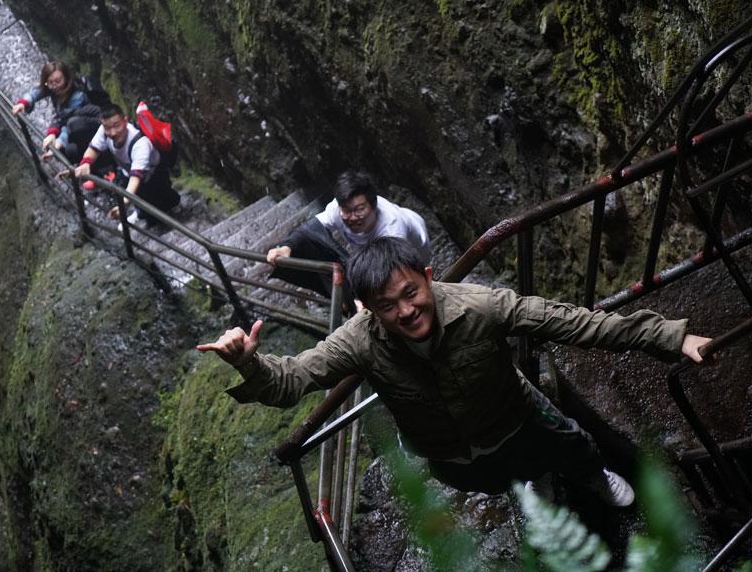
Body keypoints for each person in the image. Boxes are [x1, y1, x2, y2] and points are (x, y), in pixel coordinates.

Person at [199, 237, 710, 504]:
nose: (405, 311)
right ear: (366, 308)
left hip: (514, 412)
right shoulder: (358, 341)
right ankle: (534, 483)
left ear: (427, 277)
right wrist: (250, 363)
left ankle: (591, 478)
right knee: (499, 478)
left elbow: (572, 323)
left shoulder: (479, 306)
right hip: (448, 450)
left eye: (411, 293)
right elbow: (293, 381)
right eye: (386, 305)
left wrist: (670, 337)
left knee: (571, 444)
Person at [266, 171, 430, 300]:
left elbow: (388, 274)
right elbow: (311, 229)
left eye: (359, 209)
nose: (351, 217)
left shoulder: (393, 229)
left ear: (374, 206)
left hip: (414, 243)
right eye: (346, 210)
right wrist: (288, 247)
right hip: (368, 244)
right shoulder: (338, 209)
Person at [61, 103, 180, 227]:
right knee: (131, 192)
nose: (112, 132)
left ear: (125, 121)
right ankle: (140, 212)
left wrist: (123, 205)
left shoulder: (140, 145)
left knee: (161, 210)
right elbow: (94, 148)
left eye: (116, 126)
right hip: (126, 171)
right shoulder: (104, 130)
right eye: (107, 128)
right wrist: (85, 164)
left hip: (153, 177)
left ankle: (162, 207)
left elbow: (135, 179)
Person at [12, 61, 102, 169]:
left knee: (65, 147)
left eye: (58, 81)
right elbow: (38, 92)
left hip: (89, 127)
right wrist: (23, 103)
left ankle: (93, 166)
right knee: (62, 149)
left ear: (66, 79)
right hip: (73, 125)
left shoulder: (77, 97)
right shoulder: (54, 88)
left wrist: (58, 139)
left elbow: (66, 122)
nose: (54, 86)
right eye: (50, 82)